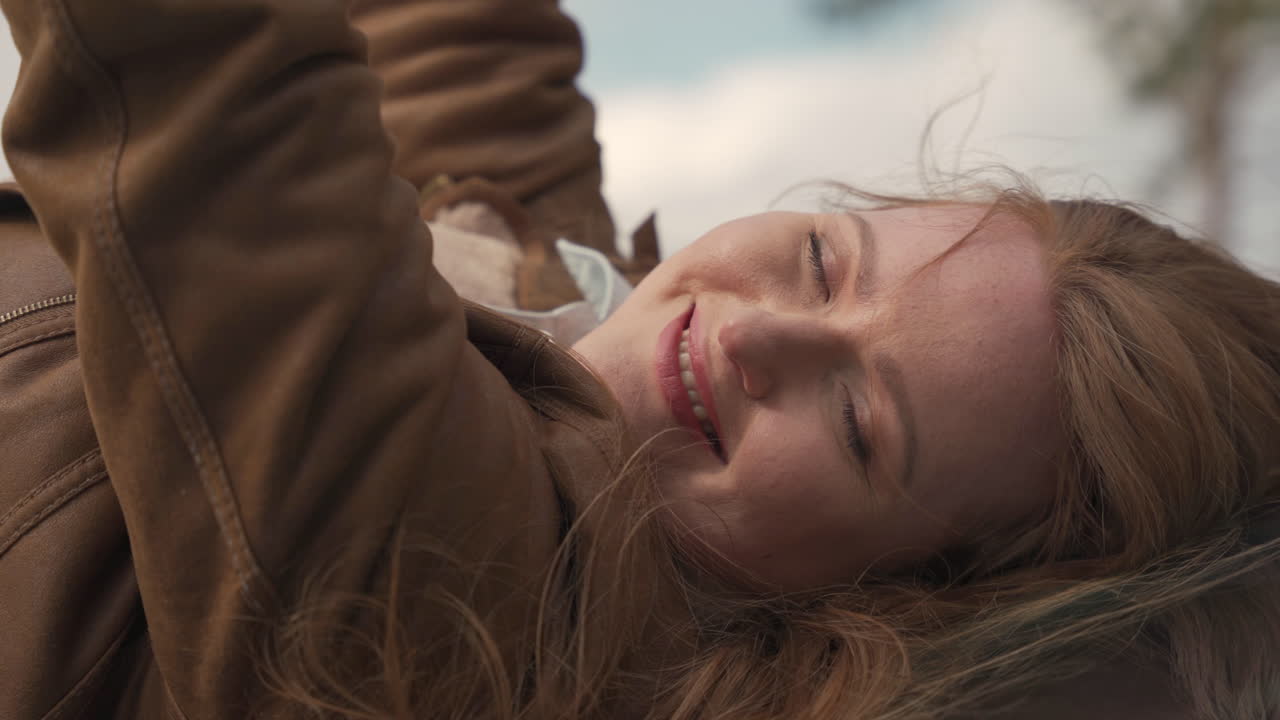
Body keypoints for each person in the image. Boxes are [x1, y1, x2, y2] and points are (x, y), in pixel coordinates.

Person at [0, 1, 1276, 719]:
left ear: (887, 607)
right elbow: (465, 45)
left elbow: (200, 82)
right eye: (828, 263)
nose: (756, 338)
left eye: (858, 428)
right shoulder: (565, 295)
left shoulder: (470, 622)